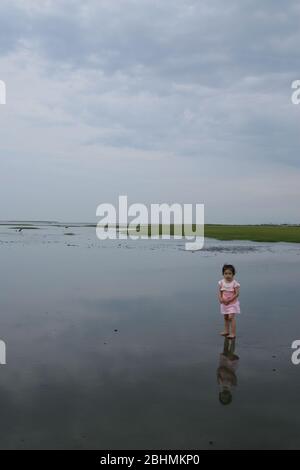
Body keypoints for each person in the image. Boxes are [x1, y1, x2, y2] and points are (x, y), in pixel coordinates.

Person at [218, 264, 240, 339]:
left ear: (233, 274)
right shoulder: (221, 282)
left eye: (230, 273)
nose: (227, 275)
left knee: (231, 317)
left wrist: (230, 300)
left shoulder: (235, 283)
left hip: (232, 303)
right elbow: (220, 292)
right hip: (224, 303)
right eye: (226, 273)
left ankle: (233, 333)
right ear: (223, 274)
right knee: (226, 317)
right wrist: (220, 298)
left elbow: (237, 293)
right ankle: (226, 331)